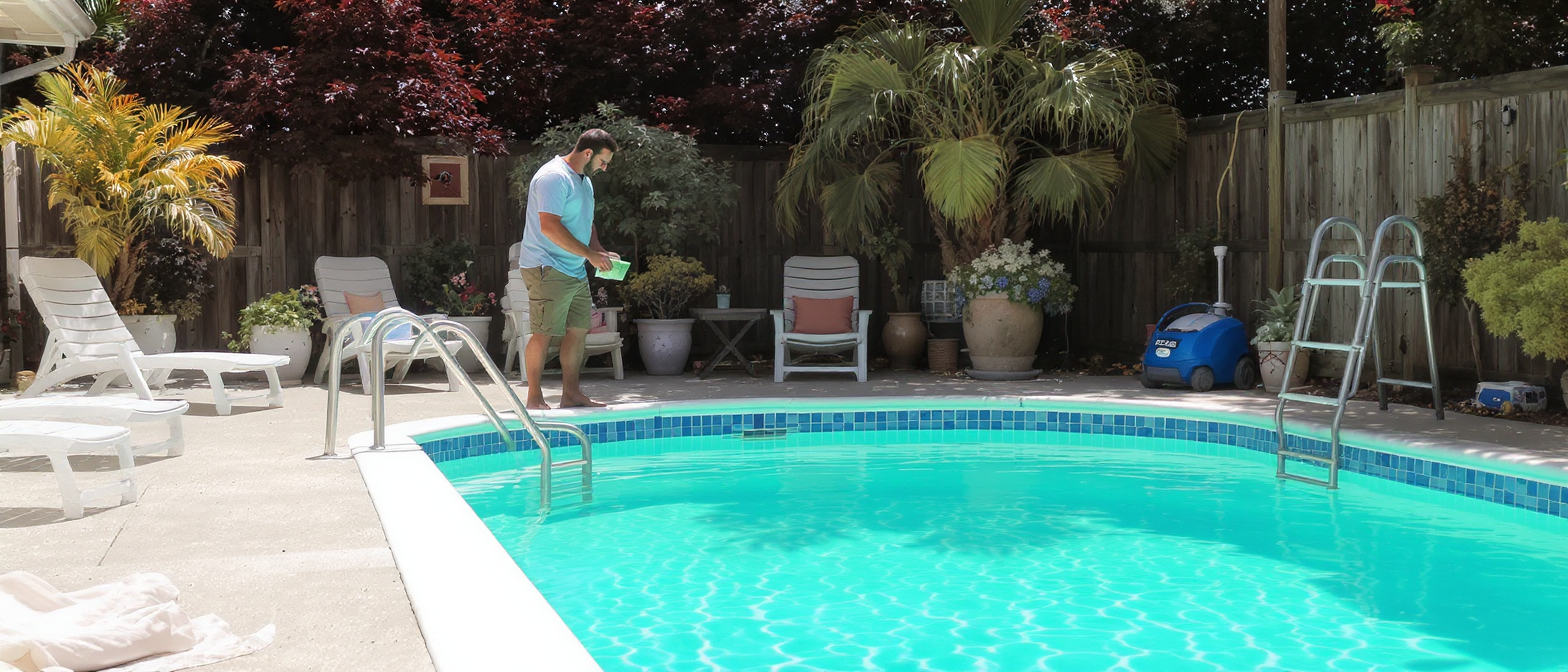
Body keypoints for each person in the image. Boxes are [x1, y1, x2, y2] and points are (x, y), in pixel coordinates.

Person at [517, 129, 618, 410]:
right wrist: (589, 255)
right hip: (547, 266)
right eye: (603, 161)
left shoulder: (584, 181)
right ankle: (534, 398)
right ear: (588, 153)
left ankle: (571, 394)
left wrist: (597, 249)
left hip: (574, 269)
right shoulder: (553, 177)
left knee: (578, 330)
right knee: (544, 332)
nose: (604, 167)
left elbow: (586, 222)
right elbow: (549, 225)